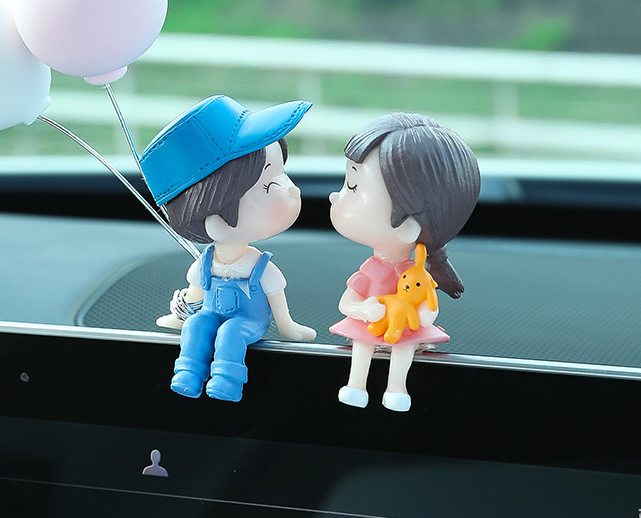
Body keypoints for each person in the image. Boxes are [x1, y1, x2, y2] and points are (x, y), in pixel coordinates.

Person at [140, 95, 316, 402]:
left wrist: (288, 327)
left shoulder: (260, 266)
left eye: (282, 173)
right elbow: (195, 297)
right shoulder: (205, 263)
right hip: (211, 313)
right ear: (215, 218)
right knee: (197, 324)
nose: (291, 189)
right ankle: (188, 372)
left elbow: (277, 301)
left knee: (231, 333)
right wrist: (182, 315)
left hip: (249, 323)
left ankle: (227, 380)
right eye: (268, 184)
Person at [329, 112, 480, 412]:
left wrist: (423, 316)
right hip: (373, 323)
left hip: (404, 327)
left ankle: (397, 387)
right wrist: (363, 309)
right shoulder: (372, 270)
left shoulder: (416, 274)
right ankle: (356, 384)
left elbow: (429, 305)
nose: (335, 196)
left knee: (404, 347)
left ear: (408, 225)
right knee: (362, 344)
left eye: (353, 187)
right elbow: (347, 303)